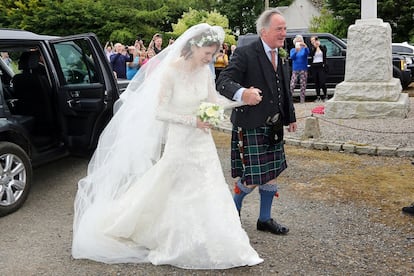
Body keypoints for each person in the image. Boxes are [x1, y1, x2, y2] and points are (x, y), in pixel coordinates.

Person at [72, 23, 263, 269]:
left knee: (210, 186)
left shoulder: (205, 72)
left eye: (213, 55)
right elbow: (160, 112)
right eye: (207, 54)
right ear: (194, 47)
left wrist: (242, 99)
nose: (210, 59)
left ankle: (221, 241)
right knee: (175, 188)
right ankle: (173, 239)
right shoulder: (170, 72)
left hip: (202, 142)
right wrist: (192, 121)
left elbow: (213, 101)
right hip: (180, 140)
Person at [216, 9, 297, 235]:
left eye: (285, 29)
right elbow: (223, 81)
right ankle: (232, 209)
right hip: (250, 123)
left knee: (272, 172)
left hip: (274, 126)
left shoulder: (280, 55)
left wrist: (290, 117)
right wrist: (243, 93)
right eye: (279, 29)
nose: (284, 33)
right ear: (264, 31)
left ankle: (264, 219)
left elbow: (284, 91)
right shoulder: (245, 52)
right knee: (253, 176)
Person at [289, 34, 309, 103]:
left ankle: (302, 100)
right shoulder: (293, 50)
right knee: (292, 84)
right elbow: (292, 57)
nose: (298, 43)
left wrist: (305, 46)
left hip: (303, 69)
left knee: (303, 85)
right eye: (297, 41)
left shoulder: (304, 49)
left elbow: (307, 53)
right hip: (295, 69)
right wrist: (296, 51)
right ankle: (289, 99)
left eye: (300, 41)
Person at [310, 36, 328, 102]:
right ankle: (318, 96)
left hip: (321, 66)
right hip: (314, 66)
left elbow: (325, 53)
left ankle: (325, 95)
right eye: (312, 41)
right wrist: (315, 47)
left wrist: (319, 46)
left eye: (314, 40)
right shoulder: (312, 48)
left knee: (322, 81)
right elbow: (311, 54)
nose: (313, 41)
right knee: (316, 82)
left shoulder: (323, 47)